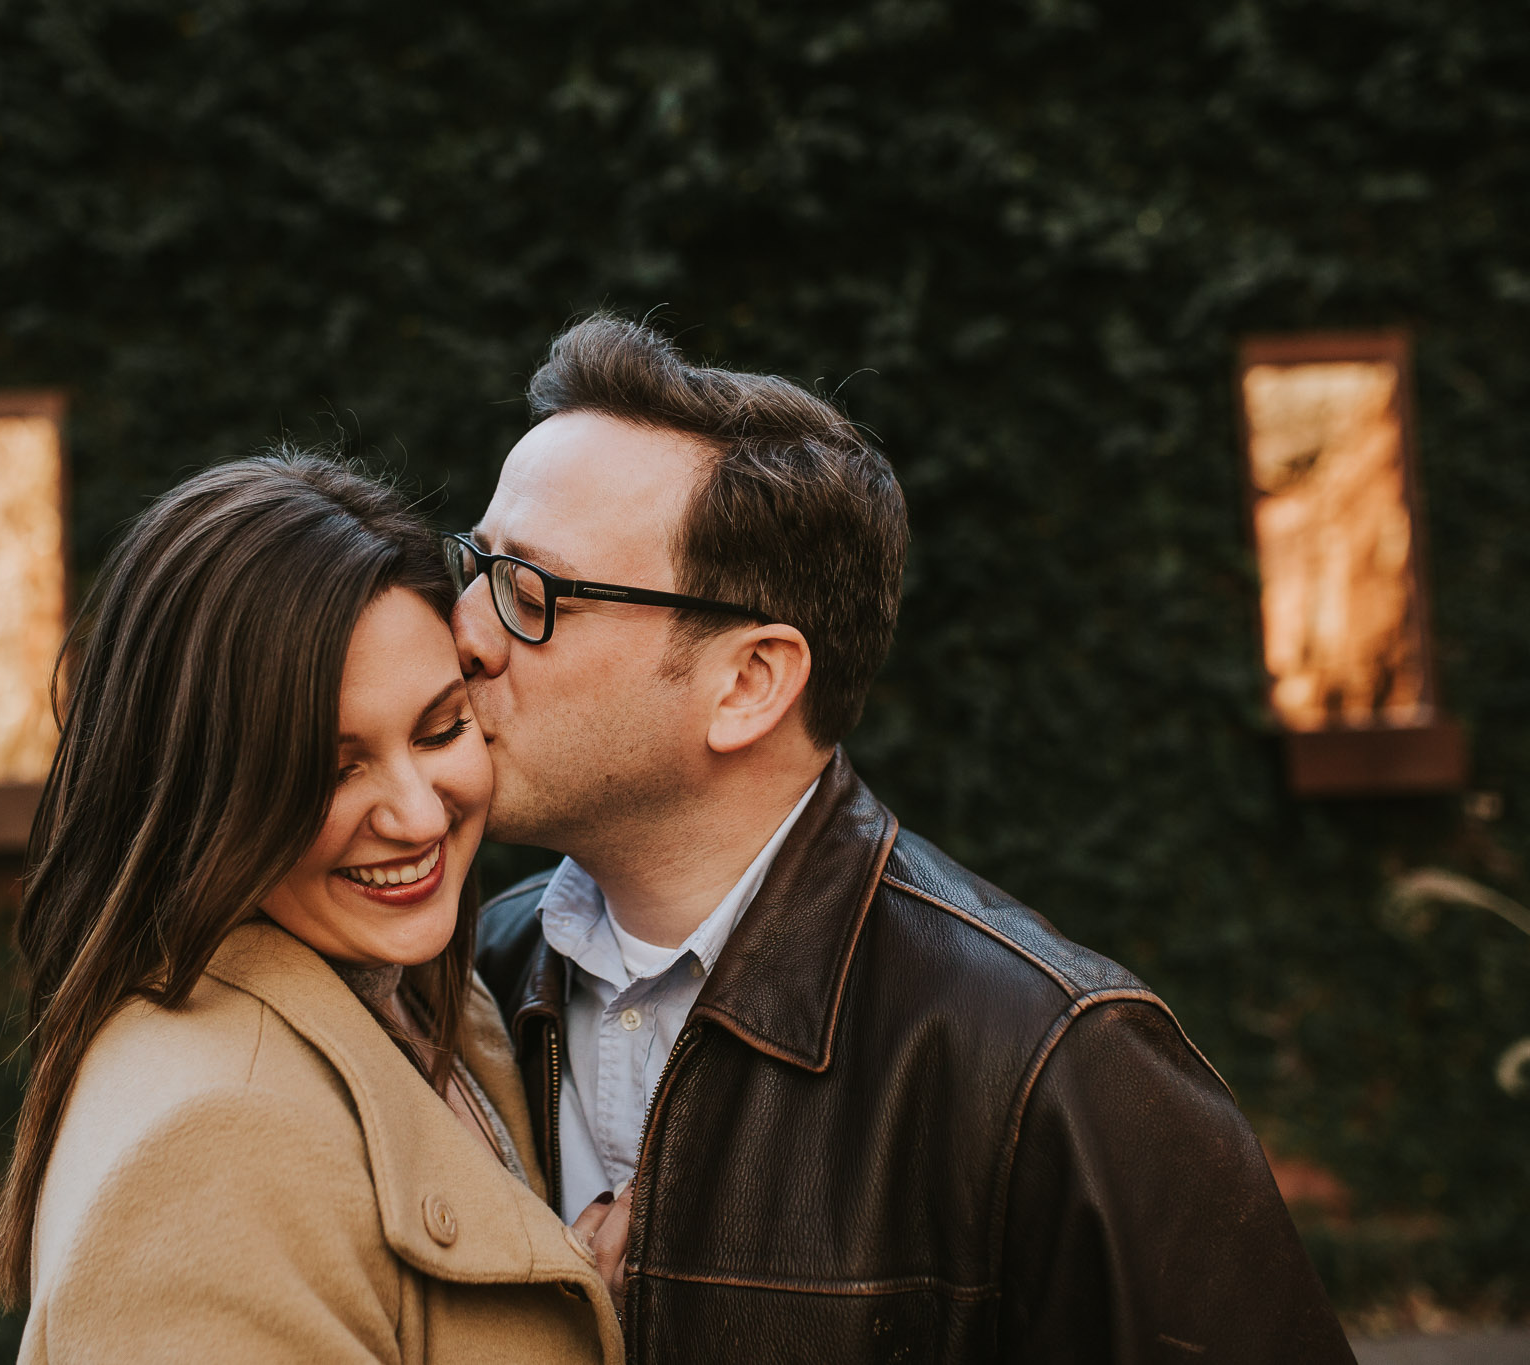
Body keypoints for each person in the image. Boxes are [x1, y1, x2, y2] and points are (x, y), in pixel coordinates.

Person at [461, 316, 1356, 1363]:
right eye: (471, 564)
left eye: (530, 591)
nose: (464, 629)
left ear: (747, 683)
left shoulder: (1048, 1063)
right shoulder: (462, 981)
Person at [0, 454, 622, 1363]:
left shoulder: (426, 993)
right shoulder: (212, 1143)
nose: (418, 816)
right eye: (332, 770)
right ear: (200, 789)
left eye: (440, 728)